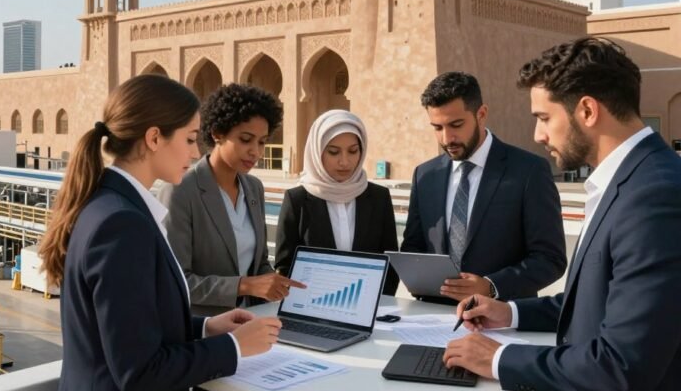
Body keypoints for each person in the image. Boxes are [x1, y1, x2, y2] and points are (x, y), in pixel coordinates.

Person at [446, 38, 681, 391]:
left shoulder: (654, 196)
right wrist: (509, 313)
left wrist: (498, 359)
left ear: (587, 110)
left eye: (544, 118)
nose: (537, 135)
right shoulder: (629, 180)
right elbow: (593, 305)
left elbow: (622, 366)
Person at [38, 74, 281, 391]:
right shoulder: (122, 224)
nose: (195, 153)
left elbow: (132, 328)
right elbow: (138, 370)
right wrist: (234, 347)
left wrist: (206, 327)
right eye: (190, 139)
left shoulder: (109, 205)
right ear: (154, 138)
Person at [401, 71, 567, 304]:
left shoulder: (529, 171)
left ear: (481, 114)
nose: (447, 138)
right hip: (435, 315)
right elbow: (413, 248)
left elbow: (550, 259)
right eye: (437, 127)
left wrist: (491, 286)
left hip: (503, 316)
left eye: (456, 125)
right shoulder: (425, 176)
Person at [163, 83, 304, 315]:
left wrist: (278, 284)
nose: (256, 152)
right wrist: (243, 286)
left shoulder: (254, 188)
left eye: (262, 142)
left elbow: (259, 263)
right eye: (246, 139)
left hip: (252, 321)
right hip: (202, 327)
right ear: (217, 133)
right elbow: (174, 281)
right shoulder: (181, 191)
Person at [274, 109, 400, 295]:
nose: (345, 162)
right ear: (317, 152)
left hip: (371, 305)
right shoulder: (297, 200)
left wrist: (378, 302)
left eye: (353, 151)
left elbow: (390, 262)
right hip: (313, 304)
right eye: (334, 152)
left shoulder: (378, 197)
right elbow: (285, 265)